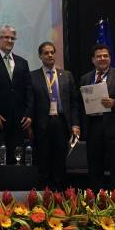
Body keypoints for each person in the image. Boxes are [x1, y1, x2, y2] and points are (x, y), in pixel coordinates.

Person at [78, 44, 115, 190]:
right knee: (94, 168)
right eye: (99, 56)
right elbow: (80, 104)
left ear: (110, 58)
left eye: (105, 56)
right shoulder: (85, 78)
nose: (102, 58)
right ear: (93, 60)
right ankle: (96, 199)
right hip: (93, 128)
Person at [0, 25, 33, 164]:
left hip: (19, 120)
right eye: (6, 37)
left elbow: (29, 90)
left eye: (12, 38)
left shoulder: (23, 62)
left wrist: (28, 114)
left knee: (16, 161)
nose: (9, 40)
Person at [30, 41, 79, 189]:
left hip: (61, 122)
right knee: (43, 161)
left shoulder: (67, 75)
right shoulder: (32, 76)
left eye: (52, 52)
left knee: (60, 161)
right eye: (46, 53)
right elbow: (30, 102)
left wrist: (75, 124)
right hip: (42, 123)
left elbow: (74, 102)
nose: (50, 55)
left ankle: (60, 195)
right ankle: (44, 195)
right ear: (40, 56)